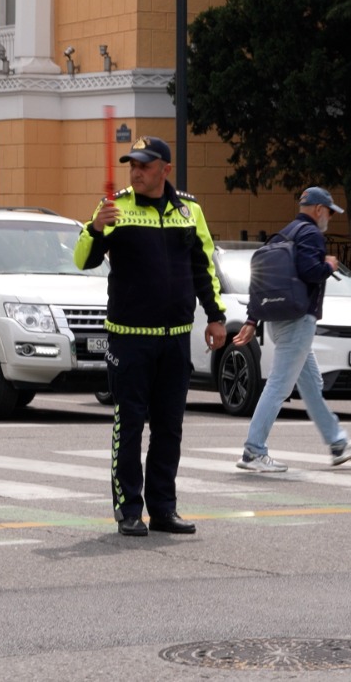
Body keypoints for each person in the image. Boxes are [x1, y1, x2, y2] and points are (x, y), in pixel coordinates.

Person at [75, 136, 227, 536]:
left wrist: (215, 317)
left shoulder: (189, 210)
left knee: (169, 427)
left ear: (165, 169)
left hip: (175, 338)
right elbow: (82, 259)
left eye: (144, 165)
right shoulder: (115, 207)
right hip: (129, 339)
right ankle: (128, 509)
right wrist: (96, 228)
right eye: (132, 165)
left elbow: (204, 268)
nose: (136, 172)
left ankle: (163, 509)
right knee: (129, 425)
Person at [232, 187, 351, 472]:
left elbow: (261, 281)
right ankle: (253, 451)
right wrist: (328, 265)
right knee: (278, 386)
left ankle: (338, 443)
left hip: (279, 320)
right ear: (319, 209)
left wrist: (251, 320)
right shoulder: (311, 234)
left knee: (311, 385)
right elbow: (310, 271)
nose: (329, 218)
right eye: (329, 212)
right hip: (298, 322)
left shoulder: (284, 234)